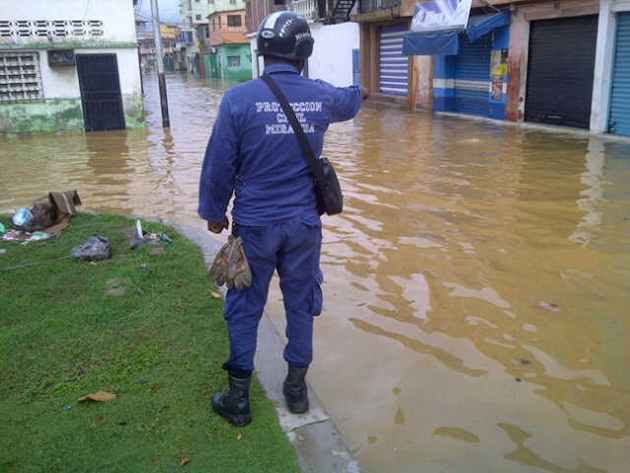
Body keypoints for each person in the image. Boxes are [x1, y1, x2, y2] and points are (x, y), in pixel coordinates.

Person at [198, 11, 370, 427]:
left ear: (261, 51)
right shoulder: (322, 96)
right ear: (304, 52)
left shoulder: (237, 100)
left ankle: (238, 400)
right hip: (303, 227)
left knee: (244, 307)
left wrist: (214, 214)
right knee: (300, 304)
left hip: (254, 228)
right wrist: (360, 89)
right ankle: (296, 391)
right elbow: (352, 99)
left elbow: (218, 165)